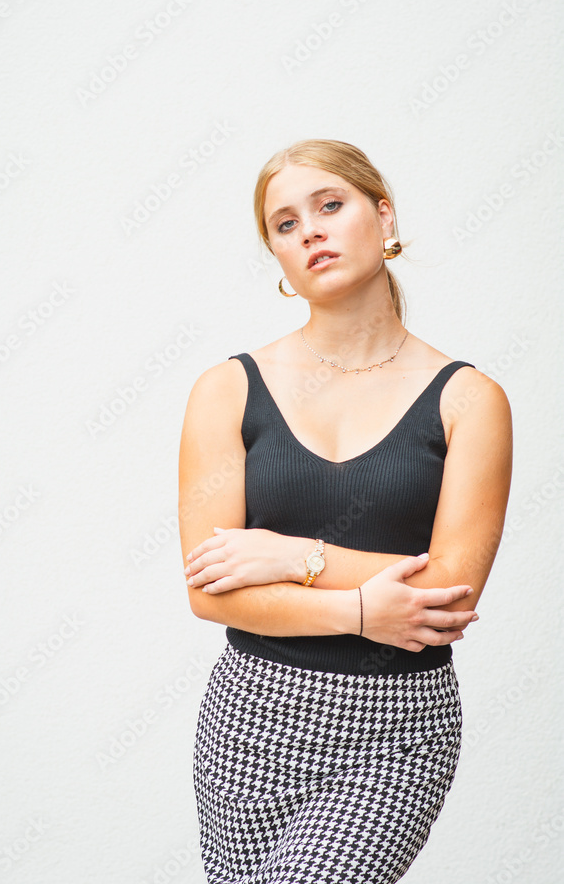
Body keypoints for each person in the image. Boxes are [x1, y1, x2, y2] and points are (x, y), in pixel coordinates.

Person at [177, 138, 512, 884]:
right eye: (285, 224)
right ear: (276, 254)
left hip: (397, 727)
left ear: (383, 215)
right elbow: (210, 591)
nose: (311, 232)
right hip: (249, 720)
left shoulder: (469, 399)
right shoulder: (226, 389)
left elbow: (448, 591)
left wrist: (291, 557)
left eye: (329, 205)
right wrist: (361, 609)